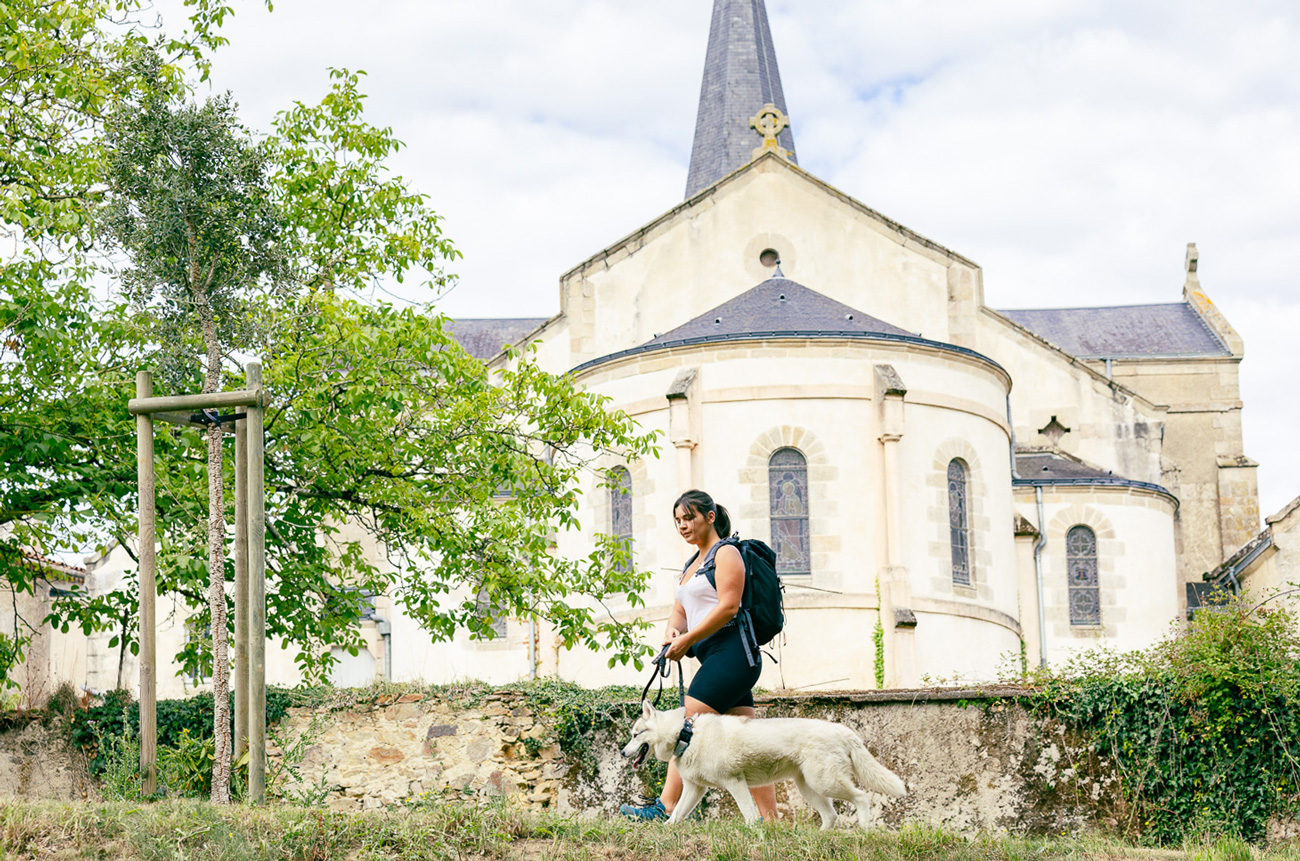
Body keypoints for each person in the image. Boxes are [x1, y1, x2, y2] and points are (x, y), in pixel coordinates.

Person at [620, 489, 779, 823]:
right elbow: (680, 609)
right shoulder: (692, 564)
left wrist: (688, 639)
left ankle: (664, 807)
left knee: (682, 729)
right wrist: (671, 634)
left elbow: (728, 607)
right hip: (715, 658)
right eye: (678, 520)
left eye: (689, 517)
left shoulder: (727, 554)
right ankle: (771, 818)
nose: (683, 525)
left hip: (734, 654)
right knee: (748, 741)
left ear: (709, 517)